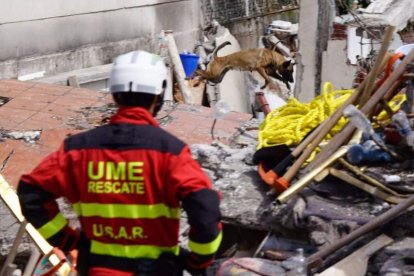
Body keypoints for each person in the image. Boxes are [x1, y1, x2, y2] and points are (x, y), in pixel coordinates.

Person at [17, 50, 223, 276]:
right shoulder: (171, 153)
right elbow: (206, 209)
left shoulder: (77, 150)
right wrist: (197, 262)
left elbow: (31, 192)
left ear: (114, 95)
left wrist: (66, 239)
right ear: (159, 95)